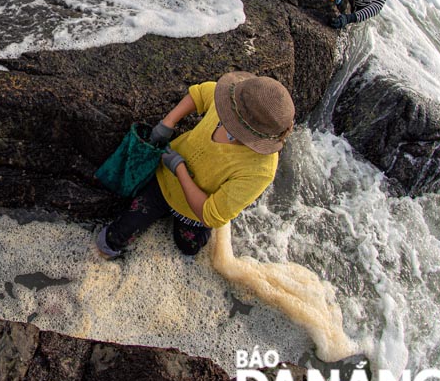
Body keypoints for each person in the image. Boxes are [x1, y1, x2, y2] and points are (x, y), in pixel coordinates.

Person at [95, 72, 295, 258]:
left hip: (193, 211)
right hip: (163, 182)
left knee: (189, 248)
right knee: (113, 239)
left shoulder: (260, 170)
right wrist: (167, 123)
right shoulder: (230, 101)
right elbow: (199, 93)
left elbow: (210, 214)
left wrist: (179, 168)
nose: (227, 120)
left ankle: (219, 206)